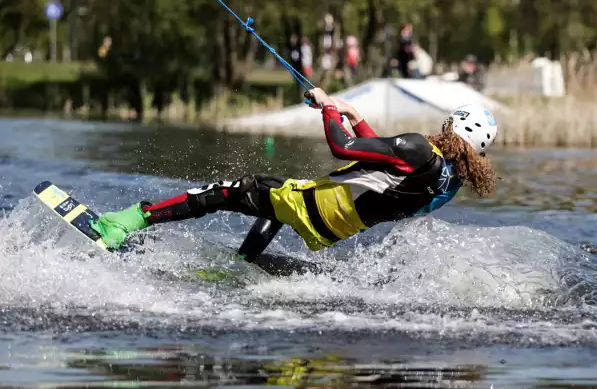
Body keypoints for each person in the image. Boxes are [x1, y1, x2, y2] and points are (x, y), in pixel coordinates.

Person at [89, 88, 498, 260]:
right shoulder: (448, 181)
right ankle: (246, 261)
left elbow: (344, 148)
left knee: (227, 191)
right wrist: (356, 115)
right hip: (332, 228)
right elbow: (387, 168)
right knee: (277, 201)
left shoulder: (418, 147)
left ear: (451, 128)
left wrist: (329, 109)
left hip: (316, 202)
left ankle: (127, 222)